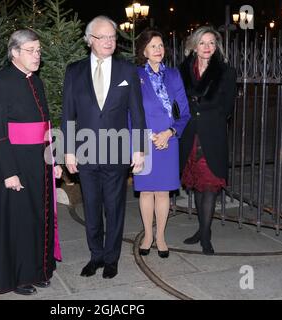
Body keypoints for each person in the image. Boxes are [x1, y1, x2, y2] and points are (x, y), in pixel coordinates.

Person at [61, 16, 146, 279]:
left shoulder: (127, 70)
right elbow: (68, 114)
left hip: (117, 150)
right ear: (89, 41)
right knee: (92, 207)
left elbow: (137, 112)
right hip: (85, 151)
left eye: (113, 36)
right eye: (103, 37)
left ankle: (112, 258)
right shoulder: (74, 71)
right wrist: (68, 150)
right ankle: (95, 256)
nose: (110, 41)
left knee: (114, 207)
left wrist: (139, 149)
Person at [0, 29, 63, 295]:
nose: (37, 56)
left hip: (39, 162)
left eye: (39, 51)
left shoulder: (35, 82)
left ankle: (38, 270)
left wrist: (54, 160)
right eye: (31, 50)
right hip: (15, 163)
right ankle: (18, 277)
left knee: (38, 218)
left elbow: (46, 126)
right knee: (19, 221)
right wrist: (8, 172)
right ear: (15, 52)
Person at [178, 26, 237, 255]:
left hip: (212, 136)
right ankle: (202, 229)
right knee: (197, 186)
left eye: (212, 43)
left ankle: (205, 235)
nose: (207, 47)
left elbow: (227, 108)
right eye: (202, 43)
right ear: (194, 45)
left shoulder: (226, 72)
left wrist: (206, 115)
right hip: (190, 136)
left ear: (217, 46)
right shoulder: (182, 71)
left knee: (210, 186)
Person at [133, 30, 190, 259]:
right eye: (153, 46)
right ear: (144, 51)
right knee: (146, 191)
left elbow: (184, 112)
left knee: (163, 192)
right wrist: (145, 137)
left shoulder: (174, 75)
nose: (158, 49)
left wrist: (169, 133)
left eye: (161, 45)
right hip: (145, 141)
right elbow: (131, 112)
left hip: (169, 141)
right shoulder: (135, 75)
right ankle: (148, 235)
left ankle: (161, 237)